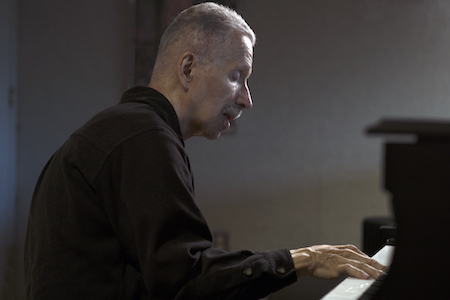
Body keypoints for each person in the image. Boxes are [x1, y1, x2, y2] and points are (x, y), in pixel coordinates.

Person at [24, 2, 386, 300]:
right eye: (236, 76)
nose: (247, 98)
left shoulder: (131, 130)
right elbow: (189, 283)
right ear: (187, 68)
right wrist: (303, 260)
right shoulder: (142, 137)